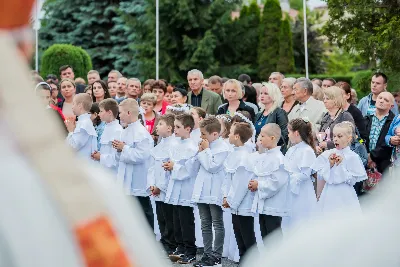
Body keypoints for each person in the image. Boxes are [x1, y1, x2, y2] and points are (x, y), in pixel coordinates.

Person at [191, 117, 231, 267]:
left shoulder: (223, 148)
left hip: (215, 190)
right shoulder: (204, 146)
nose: (201, 137)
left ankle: (216, 256)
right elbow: (196, 166)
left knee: (217, 223)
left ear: (214, 134)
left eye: (203, 134)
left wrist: (205, 151)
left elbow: (211, 166)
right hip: (202, 189)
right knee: (205, 223)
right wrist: (200, 151)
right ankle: (206, 254)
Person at [114, 98, 155, 229]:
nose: (118, 115)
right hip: (126, 178)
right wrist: (119, 150)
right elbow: (120, 156)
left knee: (143, 211)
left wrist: (124, 148)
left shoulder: (141, 133)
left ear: (129, 113)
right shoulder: (124, 131)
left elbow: (142, 155)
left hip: (138, 179)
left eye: (120, 112)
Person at [163, 114, 198, 264]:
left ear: (188, 129)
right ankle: (180, 247)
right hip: (174, 187)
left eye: (178, 127)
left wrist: (174, 167)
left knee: (186, 221)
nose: (175, 130)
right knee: (176, 220)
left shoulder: (192, 147)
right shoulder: (175, 144)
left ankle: (190, 250)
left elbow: (189, 170)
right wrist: (169, 166)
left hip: (185, 189)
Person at [312, 122, 367, 215]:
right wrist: (329, 164)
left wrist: (341, 166)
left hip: (345, 193)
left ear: (349, 139)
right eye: (334, 136)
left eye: (340, 136)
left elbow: (352, 180)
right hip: (329, 192)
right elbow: (320, 175)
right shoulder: (328, 154)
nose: (336, 139)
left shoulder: (352, 156)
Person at [248, 124, 290, 241]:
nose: (259, 138)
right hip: (263, 203)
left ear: (272, 138)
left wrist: (259, 185)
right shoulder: (265, 156)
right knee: (264, 235)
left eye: (263, 135)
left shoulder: (279, 158)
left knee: (273, 236)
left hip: (273, 205)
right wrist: (254, 183)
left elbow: (277, 182)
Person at [222, 122, 256, 263]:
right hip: (233, 203)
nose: (228, 135)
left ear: (236, 136)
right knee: (238, 235)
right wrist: (225, 196)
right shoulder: (234, 153)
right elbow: (228, 178)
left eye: (230, 133)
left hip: (243, 204)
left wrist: (231, 201)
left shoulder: (244, 157)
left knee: (247, 236)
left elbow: (241, 183)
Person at [147, 114, 179, 256]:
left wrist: (160, 186)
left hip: (166, 188)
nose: (157, 127)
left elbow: (168, 169)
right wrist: (152, 184)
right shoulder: (160, 144)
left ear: (169, 128)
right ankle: (164, 241)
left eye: (160, 124)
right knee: (160, 216)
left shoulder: (173, 145)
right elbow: (152, 167)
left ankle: (171, 243)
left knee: (169, 217)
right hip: (156, 188)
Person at [282, 118, 317, 232]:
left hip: (301, 191)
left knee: (301, 221)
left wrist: (290, 178)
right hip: (290, 190)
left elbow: (305, 174)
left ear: (296, 133)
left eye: (289, 132)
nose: (288, 135)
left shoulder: (307, 151)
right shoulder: (291, 150)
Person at [316, 86, 355, 153]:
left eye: (327, 99)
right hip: (325, 155)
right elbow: (320, 137)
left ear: (336, 100)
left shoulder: (345, 116)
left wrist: (328, 144)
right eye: (324, 98)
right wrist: (317, 146)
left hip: (340, 156)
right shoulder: (326, 116)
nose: (324, 101)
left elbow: (351, 138)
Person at [365, 92, 396, 174]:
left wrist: (372, 156)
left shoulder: (394, 122)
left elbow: (388, 143)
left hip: (384, 165)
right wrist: (365, 153)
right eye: (380, 98)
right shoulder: (366, 118)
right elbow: (359, 138)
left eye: (386, 100)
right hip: (365, 162)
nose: (381, 101)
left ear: (391, 106)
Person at [91, 98, 122, 175]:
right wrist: (98, 153)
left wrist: (100, 157)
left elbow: (116, 158)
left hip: (112, 174)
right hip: (103, 171)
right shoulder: (107, 127)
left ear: (109, 112)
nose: (99, 114)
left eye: (101, 111)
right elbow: (105, 150)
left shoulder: (117, 130)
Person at [255, 83, 288, 153]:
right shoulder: (259, 114)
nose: (262, 96)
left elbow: (284, 134)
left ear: (273, 95)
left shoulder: (279, 112)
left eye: (266, 93)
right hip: (259, 151)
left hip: (274, 152)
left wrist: (268, 144)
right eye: (261, 93)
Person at [65, 93, 97, 159]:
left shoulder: (84, 124)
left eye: (73, 104)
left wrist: (70, 130)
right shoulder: (82, 122)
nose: (72, 107)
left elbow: (73, 146)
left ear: (80, 105)